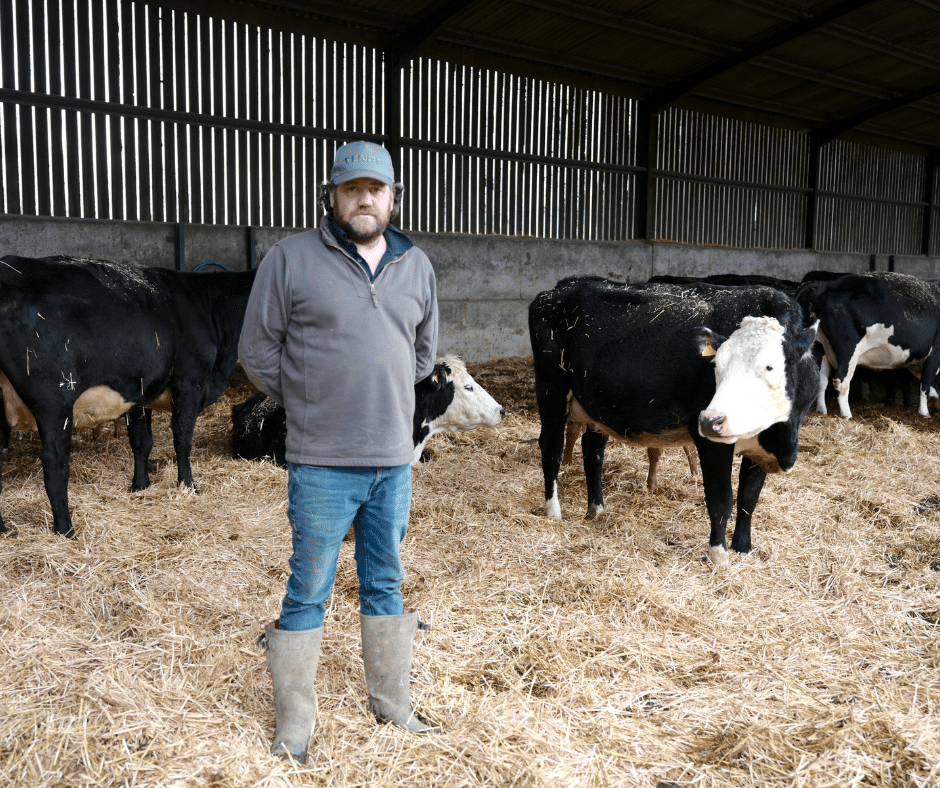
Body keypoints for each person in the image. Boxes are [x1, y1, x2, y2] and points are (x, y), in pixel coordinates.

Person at [238, 140, 439, 762]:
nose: (364, 199)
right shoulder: (291, 258)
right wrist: (310, 401)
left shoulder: (417, 265)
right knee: (309, 587)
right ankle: (295, 725)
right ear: (331, 195)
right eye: (351, 189)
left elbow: (425, 355)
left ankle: (393, 705)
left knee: (386, 580)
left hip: (392, 460)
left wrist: (380, 401)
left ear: (393, 198)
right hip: (321, 460)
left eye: (375, 189)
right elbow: (257, 351)